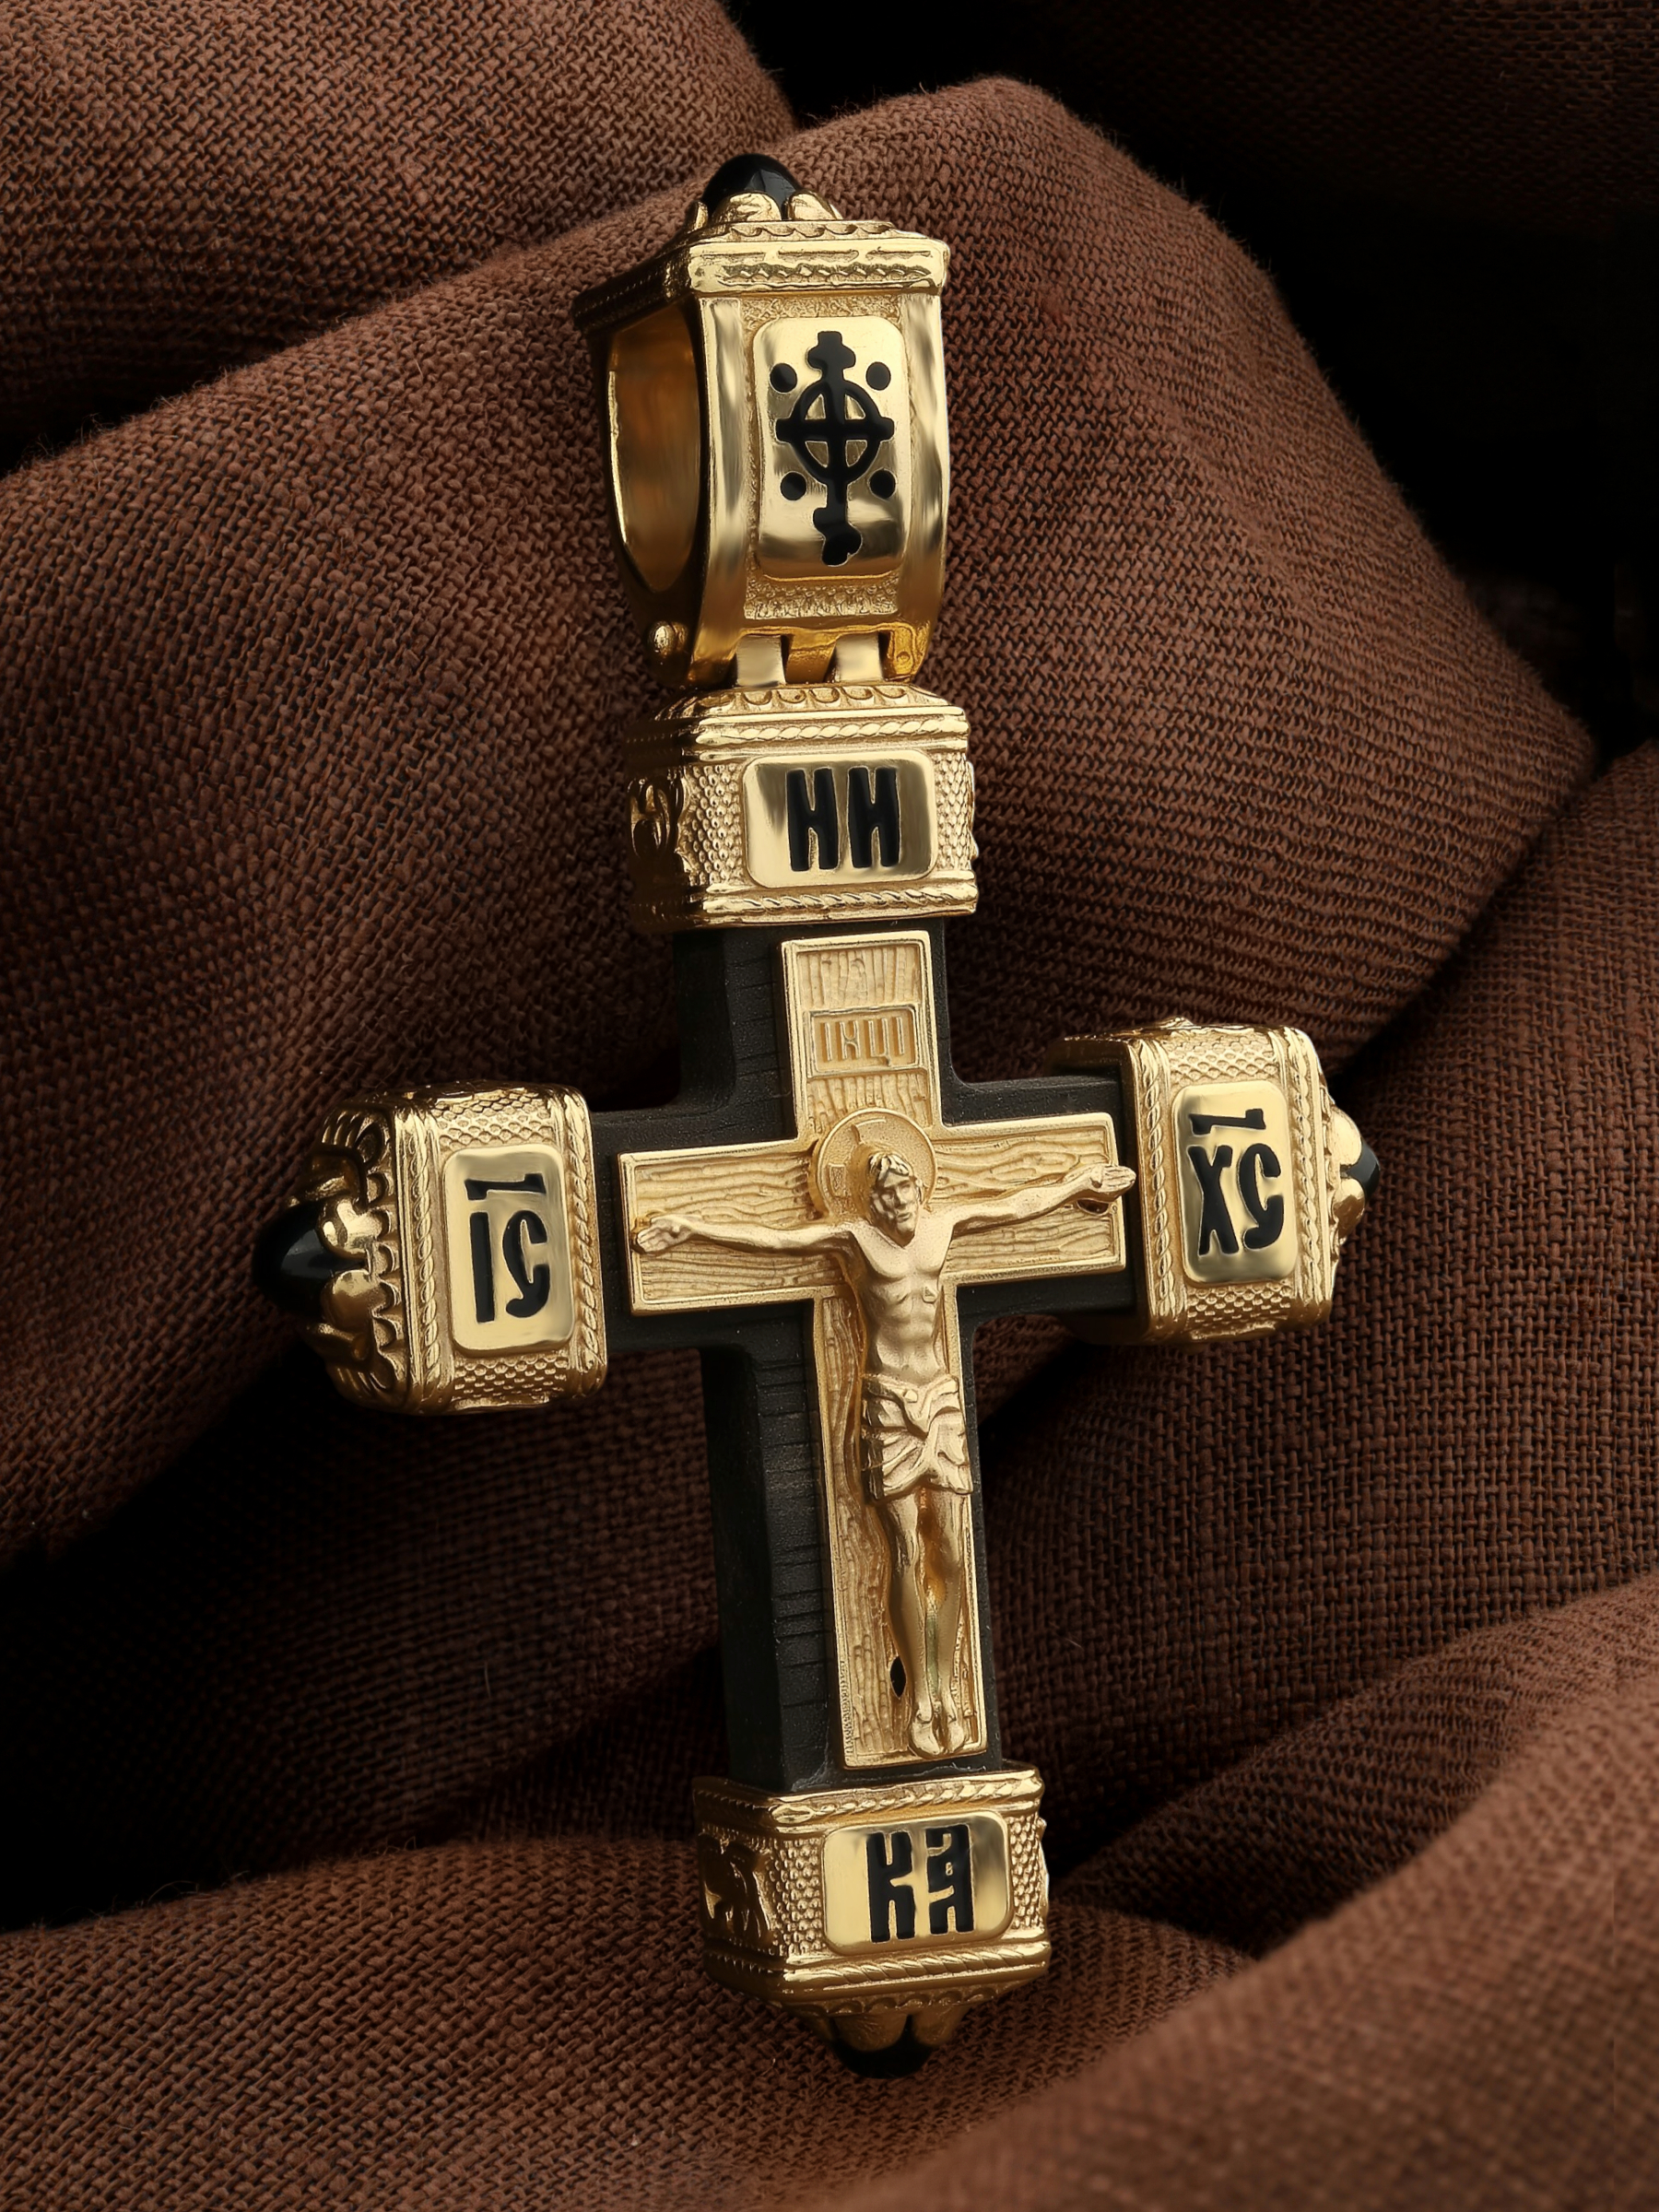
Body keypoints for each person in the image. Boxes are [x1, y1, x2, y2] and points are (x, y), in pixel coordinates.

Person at [636, 1142, 1134, 1757]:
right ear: (871, 1203)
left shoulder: (943, 1226)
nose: (899, 1202)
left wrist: (1079, 1183)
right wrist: (689, 1228)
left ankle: (946, 1688)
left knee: (949, 1549)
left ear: (920, 1191)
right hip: (888, 1405)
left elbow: (1015, 1206)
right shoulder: (854, 1242)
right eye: (887, 1194)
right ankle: (921, 1697)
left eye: (905, 1190)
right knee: (904, 1549)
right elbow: (775, 1240)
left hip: (940, 1401)